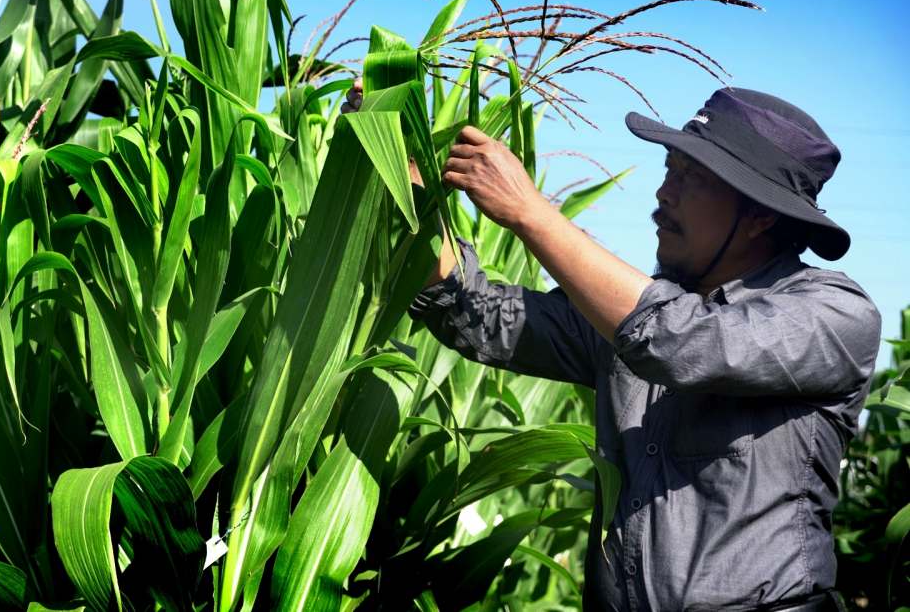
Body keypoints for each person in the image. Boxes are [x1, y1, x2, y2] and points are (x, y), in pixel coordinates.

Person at [347, 81, 882, 610]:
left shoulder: (832, 314)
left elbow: (682, 344)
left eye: (691, 179)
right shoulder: (626, 317)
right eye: (669, 169)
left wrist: (532, 213)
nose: (663, 193)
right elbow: (478, 312)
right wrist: (400, 172)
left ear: (760, 215)